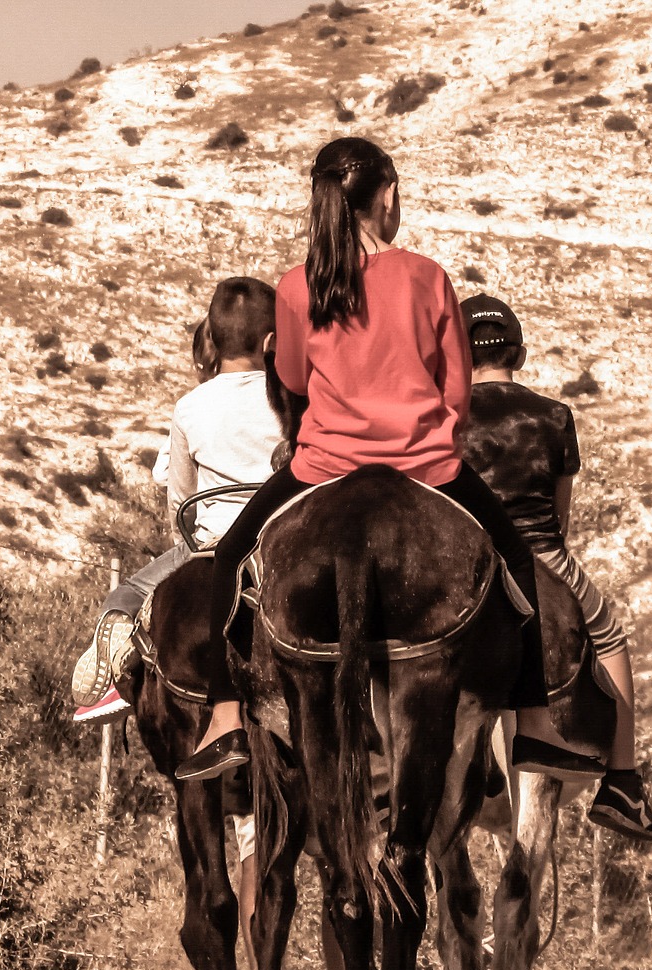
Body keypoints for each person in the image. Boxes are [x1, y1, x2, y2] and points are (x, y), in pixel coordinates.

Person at [176, 136, 605, 786]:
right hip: (426, 464)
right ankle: (536, 726)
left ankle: (226, 715)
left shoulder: (297, 285)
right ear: (389, 196)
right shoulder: (428, 277)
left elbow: (291, 376)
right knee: (517, 558)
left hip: (322, 466)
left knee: (232, 552)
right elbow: (456, 390)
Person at [458, 293, 652, 840]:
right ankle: (623, 783)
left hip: (466, 562)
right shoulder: (555, 415)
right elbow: (560, 514)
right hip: (540, 554)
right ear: (520, 355)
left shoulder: (441, 416)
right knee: (611, 635)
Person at [70, 278, 283, 723]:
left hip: (211, 544)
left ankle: (117, 673)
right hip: (276, 541)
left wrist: (182, 545)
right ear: (272, 342)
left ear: (214, 338)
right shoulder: (289, 401)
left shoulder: (190, 407)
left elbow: (181, 498)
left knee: (127, 592)